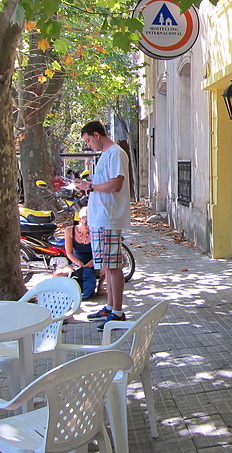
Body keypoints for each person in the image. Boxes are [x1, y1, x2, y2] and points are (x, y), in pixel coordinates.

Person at [74, 120, 131, 329]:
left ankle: (117, 312)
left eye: (88, 140)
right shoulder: (105, 155)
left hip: (109, 217)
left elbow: (116, 184)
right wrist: (88, 188)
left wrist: (90, 186)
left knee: (114, 265)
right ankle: (109, 306)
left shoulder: (116, 153)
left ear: (97, 135)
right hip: (100, 218)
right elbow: (101, 186)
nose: (88, 144)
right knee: (107, 264)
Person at [52, 206, 97, 300]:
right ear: (80, 220)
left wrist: (88, 265)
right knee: (58, 273)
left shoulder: (96, 231)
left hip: (94, 262)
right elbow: (69, 253)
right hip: (77, 263)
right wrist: (80, 264)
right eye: (87, 223)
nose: (89, 226)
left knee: (106, 269)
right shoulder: (70, 230)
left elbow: (99, 254)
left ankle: (100, 287)